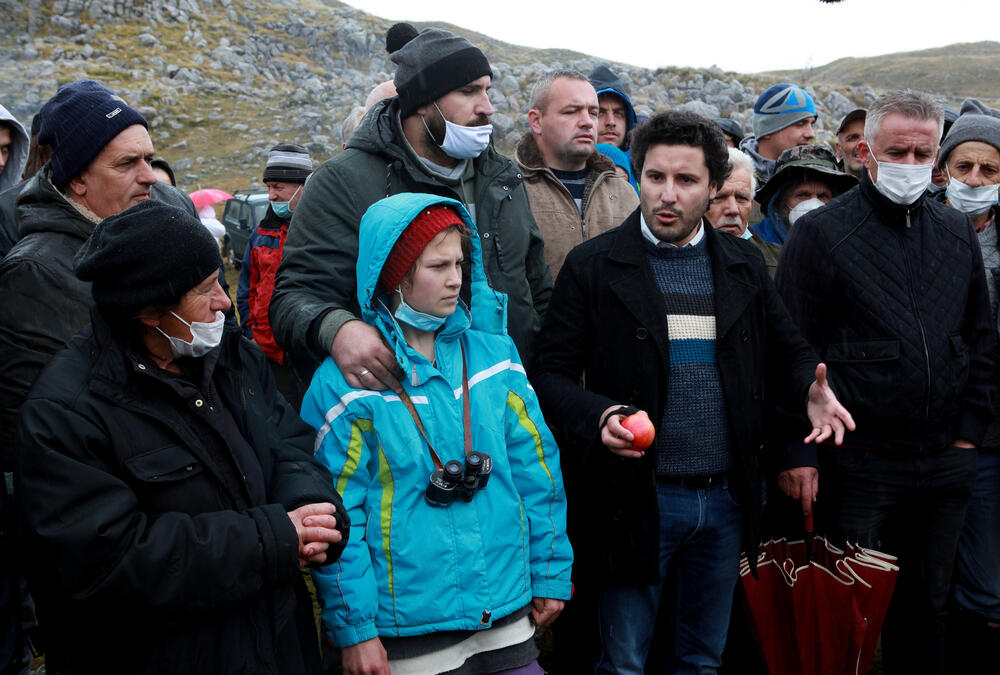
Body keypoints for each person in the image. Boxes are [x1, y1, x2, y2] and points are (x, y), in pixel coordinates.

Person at [531, 110, 854, 674]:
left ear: (711, 187)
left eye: (686, 181)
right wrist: (600, 413)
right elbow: (549, 377)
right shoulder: (595, 266)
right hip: (636, 499)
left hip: (727, 501)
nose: (668, 195)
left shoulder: (743, 264)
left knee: (702, 659)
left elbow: (789, 350)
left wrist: (811, 388)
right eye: (655, 178)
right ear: (638, 177)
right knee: (623, 661)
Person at [14, 200, 348, 674]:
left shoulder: (231, 355)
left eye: (220, 282)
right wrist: (271, 540)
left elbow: (287, 444)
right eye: (205, 290)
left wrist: (313, 512)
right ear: (150, 312)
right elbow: (108, 566)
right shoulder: (65, 414)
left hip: (275, 646)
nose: (224, 303)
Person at [302, 192, 571, 675]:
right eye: (437, 266)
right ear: (394, 276)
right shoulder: (344, 385)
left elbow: (539, 473)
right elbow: (340, 518)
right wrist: (356, 630)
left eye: (461, 263)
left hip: (506, 616)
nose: (455, 279)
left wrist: (550, 570)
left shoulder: (495, 356)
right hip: (407, 637)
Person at [775, 90, 995, 675]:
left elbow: (978, 339)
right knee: (852, 613)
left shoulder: (955, 232)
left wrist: (970, 434)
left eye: (925, 153)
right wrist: (800, 451)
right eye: (898, 151)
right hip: (861, 462)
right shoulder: (821, 234)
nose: (911, 164)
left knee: (929, 610)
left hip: (945, 459)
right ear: (867, 153)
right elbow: (793, 348)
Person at [270, 26, 551, 391]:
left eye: (487, 89)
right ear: (423, 100)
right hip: (406, 415)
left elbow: (537, 287)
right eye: (468, 91)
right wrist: (338, 330)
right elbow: (295, 296)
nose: (488, 107)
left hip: (511, 407)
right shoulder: (343, 182)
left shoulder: (504, 178)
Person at [0, 80, 200, 469]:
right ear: (77, 179)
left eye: (148, 158)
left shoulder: (169, 214)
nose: (150, 176)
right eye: (127, 163)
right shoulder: (33, 274)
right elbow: (28, 433)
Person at [934, 107, 1000, 668]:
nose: (975, 179)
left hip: (991, 435)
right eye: (965, 165)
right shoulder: (918, 226)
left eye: (989, 169)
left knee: (983, 578)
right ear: (944, 168)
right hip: (925, 431)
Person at [514, 71, 637, 279]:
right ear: (536, 121)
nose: (588, 122)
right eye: (572, 111)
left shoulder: (625, 193)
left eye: (593, 112)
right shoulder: (509, 188)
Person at [236, 143, 312, 407]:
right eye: (268, 187)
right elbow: (246, 289)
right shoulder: (260, 234)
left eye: (278, 187)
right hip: (267, 354)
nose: (271, 196)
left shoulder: (321, 230)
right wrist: (250, 333)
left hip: (309, 354)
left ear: (302, 186)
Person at [751, 145, 857, 246]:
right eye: (802, 195)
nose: (814, 204)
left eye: (822, 196)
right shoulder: (756, 242)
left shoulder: (851, 241)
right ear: (781, 201)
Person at [706, 147, 782, 277]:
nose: (733, 210)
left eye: (741, 198)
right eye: (719, 198)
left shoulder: (780, 262)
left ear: (751, 204)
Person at [739, 83, 817, 185]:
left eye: (812, 124)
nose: (811, 134)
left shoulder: (820, 175)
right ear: (767, 130)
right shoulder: (730, 177)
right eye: (800, 124)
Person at [588, 65, 636, 151]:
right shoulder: (562, 162)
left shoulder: (646, 162)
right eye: (600, 113)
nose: (611, 122)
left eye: (618, 114)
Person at [835, 108, 866, 180]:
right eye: (853, 138)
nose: (863, 143)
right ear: (839, 149)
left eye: (869, 137)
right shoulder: (826, 188)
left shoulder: (894, 187)